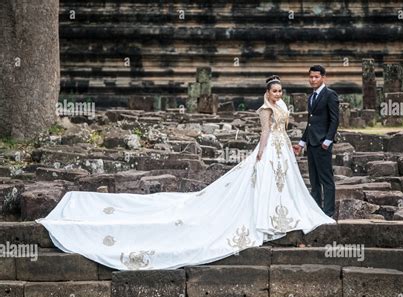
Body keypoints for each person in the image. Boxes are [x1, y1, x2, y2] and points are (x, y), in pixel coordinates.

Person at [36, 75, 336, 270]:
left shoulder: (283, 103)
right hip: (271, 149)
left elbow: (289, 125)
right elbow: (265, 134)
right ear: (266, 92)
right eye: (273, 90)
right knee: (265, 183)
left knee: (288, 185)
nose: (277, 94)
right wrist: (259, 153)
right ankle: (269, 216)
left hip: (285, 149)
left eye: (280, 90)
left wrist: (294, 143)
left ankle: (285, 213)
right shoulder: (265, 109)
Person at [293, 65, 339, 218]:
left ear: (323, 78)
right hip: (311, 144)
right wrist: (301, 143)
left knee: (326, 179)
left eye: (316, 77)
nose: (313, 80)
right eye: (311, 77)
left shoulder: (330, 95)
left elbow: (334, 120)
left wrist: (328, 140)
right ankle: (316, 210)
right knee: (314, 180)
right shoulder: (311, 97)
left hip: (323, 144)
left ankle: (328, 212)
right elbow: (310, 123)